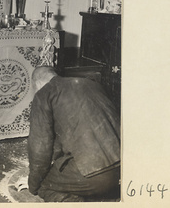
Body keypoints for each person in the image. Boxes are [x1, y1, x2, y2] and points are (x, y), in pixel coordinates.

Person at [27, 66, 121, 202]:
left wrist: (33, 184)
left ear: (37, 84)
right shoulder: (92, 84)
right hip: (124, 169)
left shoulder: (44, 94)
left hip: (95, 175)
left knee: (45, 186)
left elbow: (40, 148)